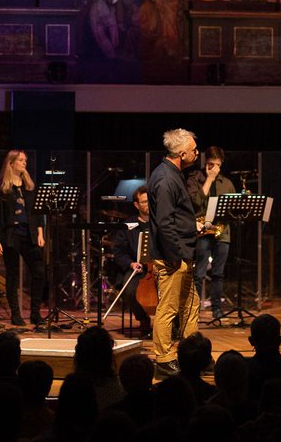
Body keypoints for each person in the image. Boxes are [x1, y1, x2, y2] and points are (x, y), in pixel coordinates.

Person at [147, 128, 201, 378]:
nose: (196, 153)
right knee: (168, 308)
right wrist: (174, 258)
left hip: (183, 253)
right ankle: (164, 358)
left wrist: (193, 227)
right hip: (173, 256)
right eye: (193, 150)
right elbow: (165, 222)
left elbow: (176, 218)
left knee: (191, 304)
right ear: (182, 153)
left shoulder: (173, 173)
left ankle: (191, 354)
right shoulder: (166, 178)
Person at [0, 149, 47, 328]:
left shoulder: (29, 187)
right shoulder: (2, 189)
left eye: (25, 160)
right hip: (11, 235)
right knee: (12, 276)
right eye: (21, 160)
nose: (24, 163)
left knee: (39, 271)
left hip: (29, 234)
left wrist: (40, 233)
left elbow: (36, 213)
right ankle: (16, 314)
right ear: (11, 163)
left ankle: (35, 314)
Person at [186, 146, 236, 323]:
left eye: (217, 165)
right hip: (202, 232)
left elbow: (233, 211)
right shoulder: (194, 179)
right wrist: (209, 179)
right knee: (198, 274)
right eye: (210, 164)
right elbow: (195, 202)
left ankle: (217, 310)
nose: (213, 169)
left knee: (218, 274)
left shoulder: (227, 183)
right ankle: (194, 310)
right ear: (204, 162)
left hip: (222, 233)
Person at [108, 185, 153, 338]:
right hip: (138, 268)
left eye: (150, 201)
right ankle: (143, 320)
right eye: (144, 202)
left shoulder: (161, 222)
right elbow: (118, 250)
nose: (148, 204)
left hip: (159, 268)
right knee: (129, 291)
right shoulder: (129, 225)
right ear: (136, 205)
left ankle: (169, 324)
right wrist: (131, 263)